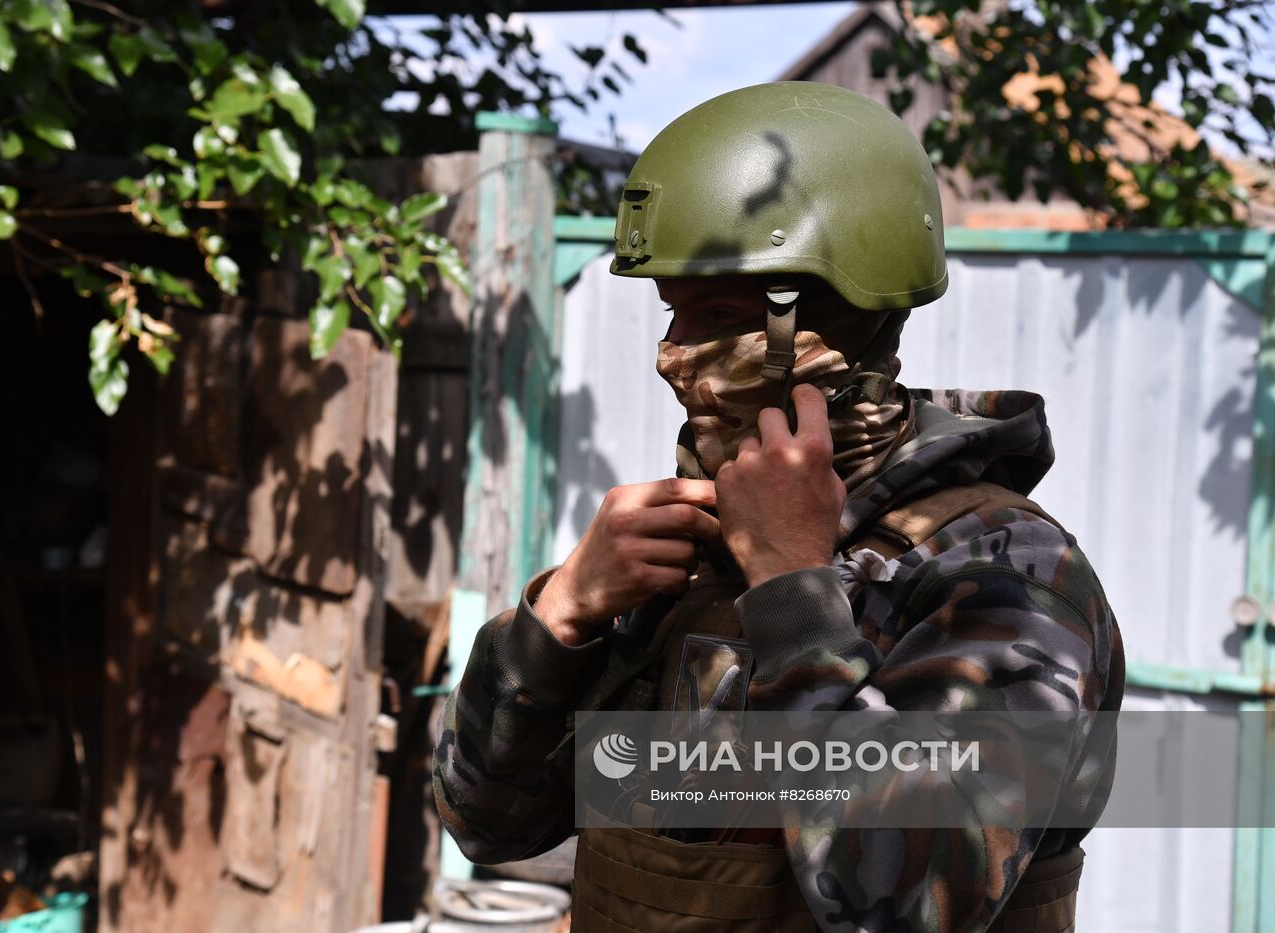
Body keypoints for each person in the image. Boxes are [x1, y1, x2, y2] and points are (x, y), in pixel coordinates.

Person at [434, 82, 1125, 932]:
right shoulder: (691, 549)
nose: (672, 358)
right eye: (671, 314)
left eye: (718, 314)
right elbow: (486, 823)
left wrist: (794, 588)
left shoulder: (999, 571)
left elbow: (900, 905)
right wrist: (561, 614)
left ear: (843, 319)